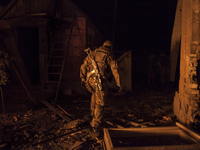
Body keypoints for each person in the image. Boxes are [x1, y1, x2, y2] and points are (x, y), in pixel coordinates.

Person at [80, 40, 122, 132]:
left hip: (89, 80)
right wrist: (119, 84)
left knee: (94, 96)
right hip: (99, 81)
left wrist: (82, 79)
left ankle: (92, 114)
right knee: (100, 102)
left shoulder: (93, 52)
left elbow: (83, 66)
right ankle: (95, 125)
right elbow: (115, 69)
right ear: (110, 47)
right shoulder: (109, 54)